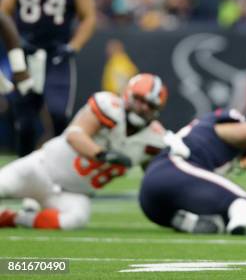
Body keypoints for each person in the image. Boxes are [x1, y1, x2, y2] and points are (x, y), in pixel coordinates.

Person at [0, 73, 168, 230]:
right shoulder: (109, 106)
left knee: (76, 219)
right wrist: (102, 154)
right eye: (139, 99)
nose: (143, 107)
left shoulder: (154, 139)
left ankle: (14, 218)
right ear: (127, 95)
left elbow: (153, 180)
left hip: (72, 193)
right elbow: (74, 135)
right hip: (40, 170)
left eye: (150, 105)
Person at [0, 0, 97, 156]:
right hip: (26, 52)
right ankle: (24, 171)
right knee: (24, 121)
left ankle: (60, 169)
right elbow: (3, 12)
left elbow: (89, 16)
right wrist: (14, 43)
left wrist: (73, 46)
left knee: (58, 114)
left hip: (57, 54)